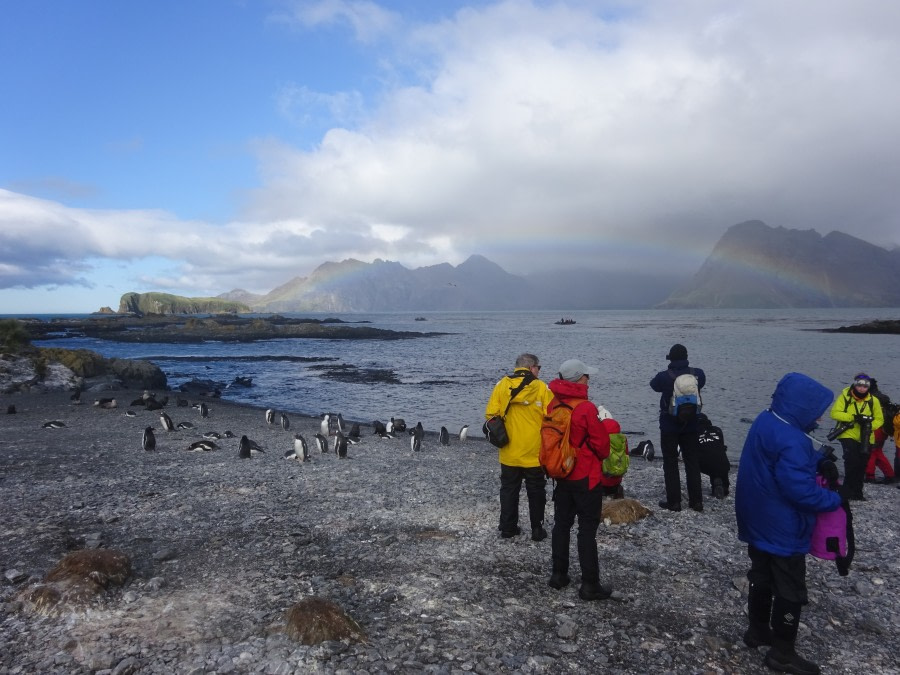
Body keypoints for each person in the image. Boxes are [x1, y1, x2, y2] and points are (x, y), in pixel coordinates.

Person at [735, 372, 843, 675]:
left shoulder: (765, 420)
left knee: (761, 574)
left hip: (755, 516)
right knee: (790, 588)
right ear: (802, 406)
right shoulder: (793, 439)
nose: (820, 418)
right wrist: (835, 499)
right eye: (817, 411)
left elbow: (780, 460)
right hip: (781, 524)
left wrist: (818, 459)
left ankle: (757, 631)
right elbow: (800, 491)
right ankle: (782, 653)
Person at [545, 359, 613, 600]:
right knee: (586, 529)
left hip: (561, 474)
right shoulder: (586, 408)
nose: (589, 379)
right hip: (585, 476)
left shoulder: (553, 405)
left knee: (561, 525)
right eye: (586, 375)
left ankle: (558, 575)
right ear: (579, 380)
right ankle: (589, 584)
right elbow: (603, 447)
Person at [485, 353, 554, 540]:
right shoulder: (541, 388)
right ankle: (537, 529)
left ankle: (508, 528)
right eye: (539, 368)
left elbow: (491, 414)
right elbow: (552, 416)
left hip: (509, 452)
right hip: (534, 452)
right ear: (532, 367)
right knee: (536, 491)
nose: (539, 371)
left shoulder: (502, 385)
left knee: (509, 489)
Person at [649, 343, 706, 512]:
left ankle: (674, 502)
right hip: (692, 424)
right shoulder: (698, 374)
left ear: (671, 358)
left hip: (669, 425)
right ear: (686, 357)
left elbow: (653, 386)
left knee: (670, 462)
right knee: (692, 461)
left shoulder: (664, 377)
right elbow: (701, 385)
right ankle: (696, 501)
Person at [829, 373, 884, 501]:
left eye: (865, 386)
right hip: (848, 433)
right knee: (851, 461)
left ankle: (858, 492)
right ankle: (847, 490)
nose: (861, 388)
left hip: (866, 435)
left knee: (862, 463)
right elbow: (834, 413)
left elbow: (879, 420)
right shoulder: (845, 397)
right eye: (859, 385)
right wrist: (853, 418)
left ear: (868, 387)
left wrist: (868, 425)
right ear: (855, 384)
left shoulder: (873, 401)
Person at [864, 378, 896, 484]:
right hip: (883, 430)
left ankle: (870, 476)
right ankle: (890, 475)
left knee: (871, 452)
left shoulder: (871, 399)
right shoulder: (882, 398)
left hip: (876, 429)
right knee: (877, 452)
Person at [696, 413, 731, 498]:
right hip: (724, 464)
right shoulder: (718, 430)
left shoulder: (694, 433)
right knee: (718, 457)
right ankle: (724, 486)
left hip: (705, 465)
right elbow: (721, 448)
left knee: (706, 458)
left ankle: (697, 485)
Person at [596, 405, 627, 499]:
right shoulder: (623, 439)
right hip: (617, 480)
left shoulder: (599, 437)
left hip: (601, 482)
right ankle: (617, 491)